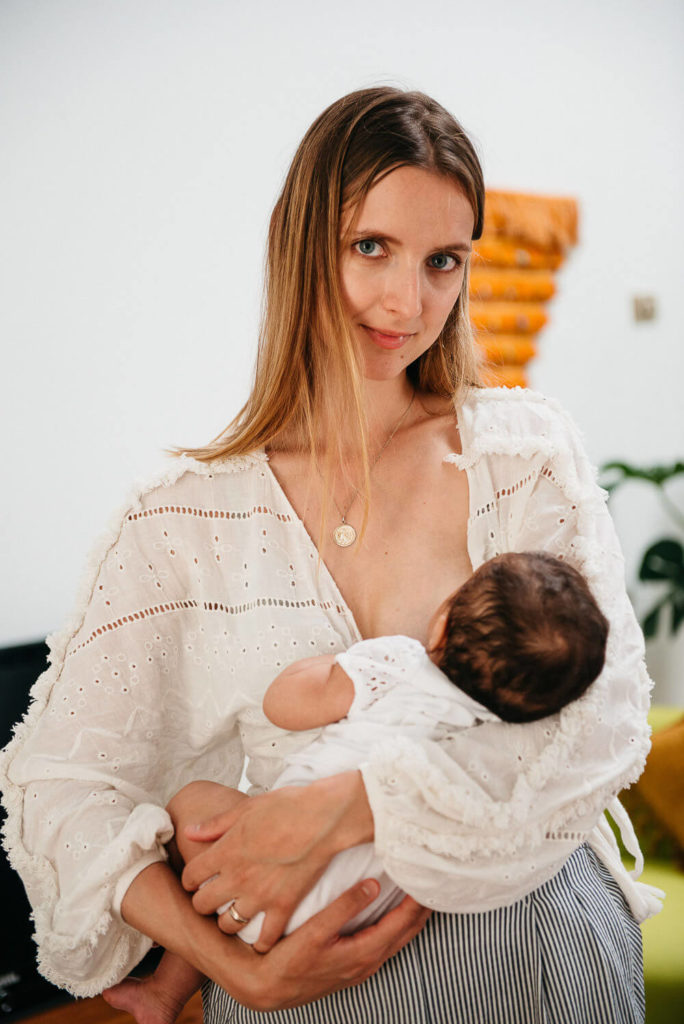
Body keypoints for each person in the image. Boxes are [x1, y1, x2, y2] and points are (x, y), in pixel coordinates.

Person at [0, 87, 654, 1024]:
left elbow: (597, 719)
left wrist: (348, 807)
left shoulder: (523, 454)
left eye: (444, 262)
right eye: (370, 248)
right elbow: (61, 786)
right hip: (295, 995)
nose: (408, 302)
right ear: (300, 243)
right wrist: (221, 961)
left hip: (544, 954)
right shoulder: (178, 521)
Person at [102, 550, 612, 1024]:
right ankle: (167, 992)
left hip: (256, 886)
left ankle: (167, 990)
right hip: (365, 912)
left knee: (192, 802)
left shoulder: (397, 665)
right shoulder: (506, 741)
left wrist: (333, 667)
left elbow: (284, 704)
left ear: (441, 623)